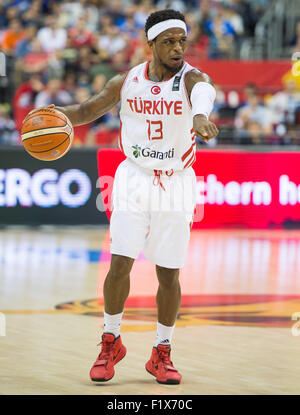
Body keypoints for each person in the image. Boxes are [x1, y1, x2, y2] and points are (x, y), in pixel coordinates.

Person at [26, 9, 218, 385]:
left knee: (169, 274)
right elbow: (86, 110)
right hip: (133, 178)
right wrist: (52, 115)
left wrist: (201, 116)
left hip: (176, 182)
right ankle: (110, 340)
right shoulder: (126, 81)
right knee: (119, 266)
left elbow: (204, 92)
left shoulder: (192, 79)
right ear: (151, 45)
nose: (178, 48)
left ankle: (162, 351)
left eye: (182, 40)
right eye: (169, 41)